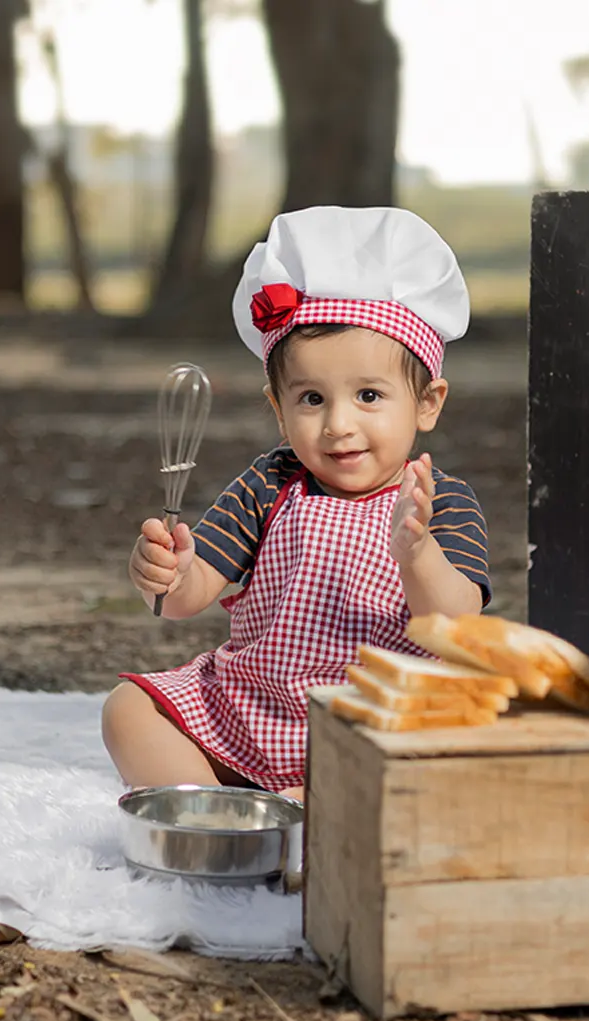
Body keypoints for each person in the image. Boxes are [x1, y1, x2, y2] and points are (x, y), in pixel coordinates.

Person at [101, 205, 490, 802]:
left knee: (446, 750)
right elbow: (188, 596)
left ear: (427, 402)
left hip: (374, 721)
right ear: (278, 409)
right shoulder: (270, 482)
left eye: (368, 396)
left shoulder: (441, 502)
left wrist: (417, 555)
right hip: (252, 706)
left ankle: (308, 808)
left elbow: (455, 623)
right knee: (127, 709)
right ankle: (216, 808)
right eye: (311, 398)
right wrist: (168, 573)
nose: (338, 425)